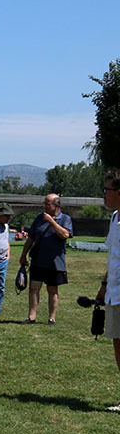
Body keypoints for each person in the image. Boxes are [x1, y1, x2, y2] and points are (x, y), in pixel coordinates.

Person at [19, 194, 73, 324]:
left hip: (55, 262)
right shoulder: (39, 218)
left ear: (57, 205)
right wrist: (23, 254)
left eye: (48, 204)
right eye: (44, 203)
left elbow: (65, 235)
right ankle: (31, 317)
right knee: (33, 288)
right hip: (38, 259)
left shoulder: (65, 219)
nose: (45, 206)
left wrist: (52, 221)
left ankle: (51, 318)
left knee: (52, 290)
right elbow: (31, 237)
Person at [96, 169, 120, 409]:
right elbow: (113, 255)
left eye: (107, 190)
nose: (104, 194)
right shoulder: (114, 218)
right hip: (115, 292)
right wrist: (104, 286)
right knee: (117, 341)